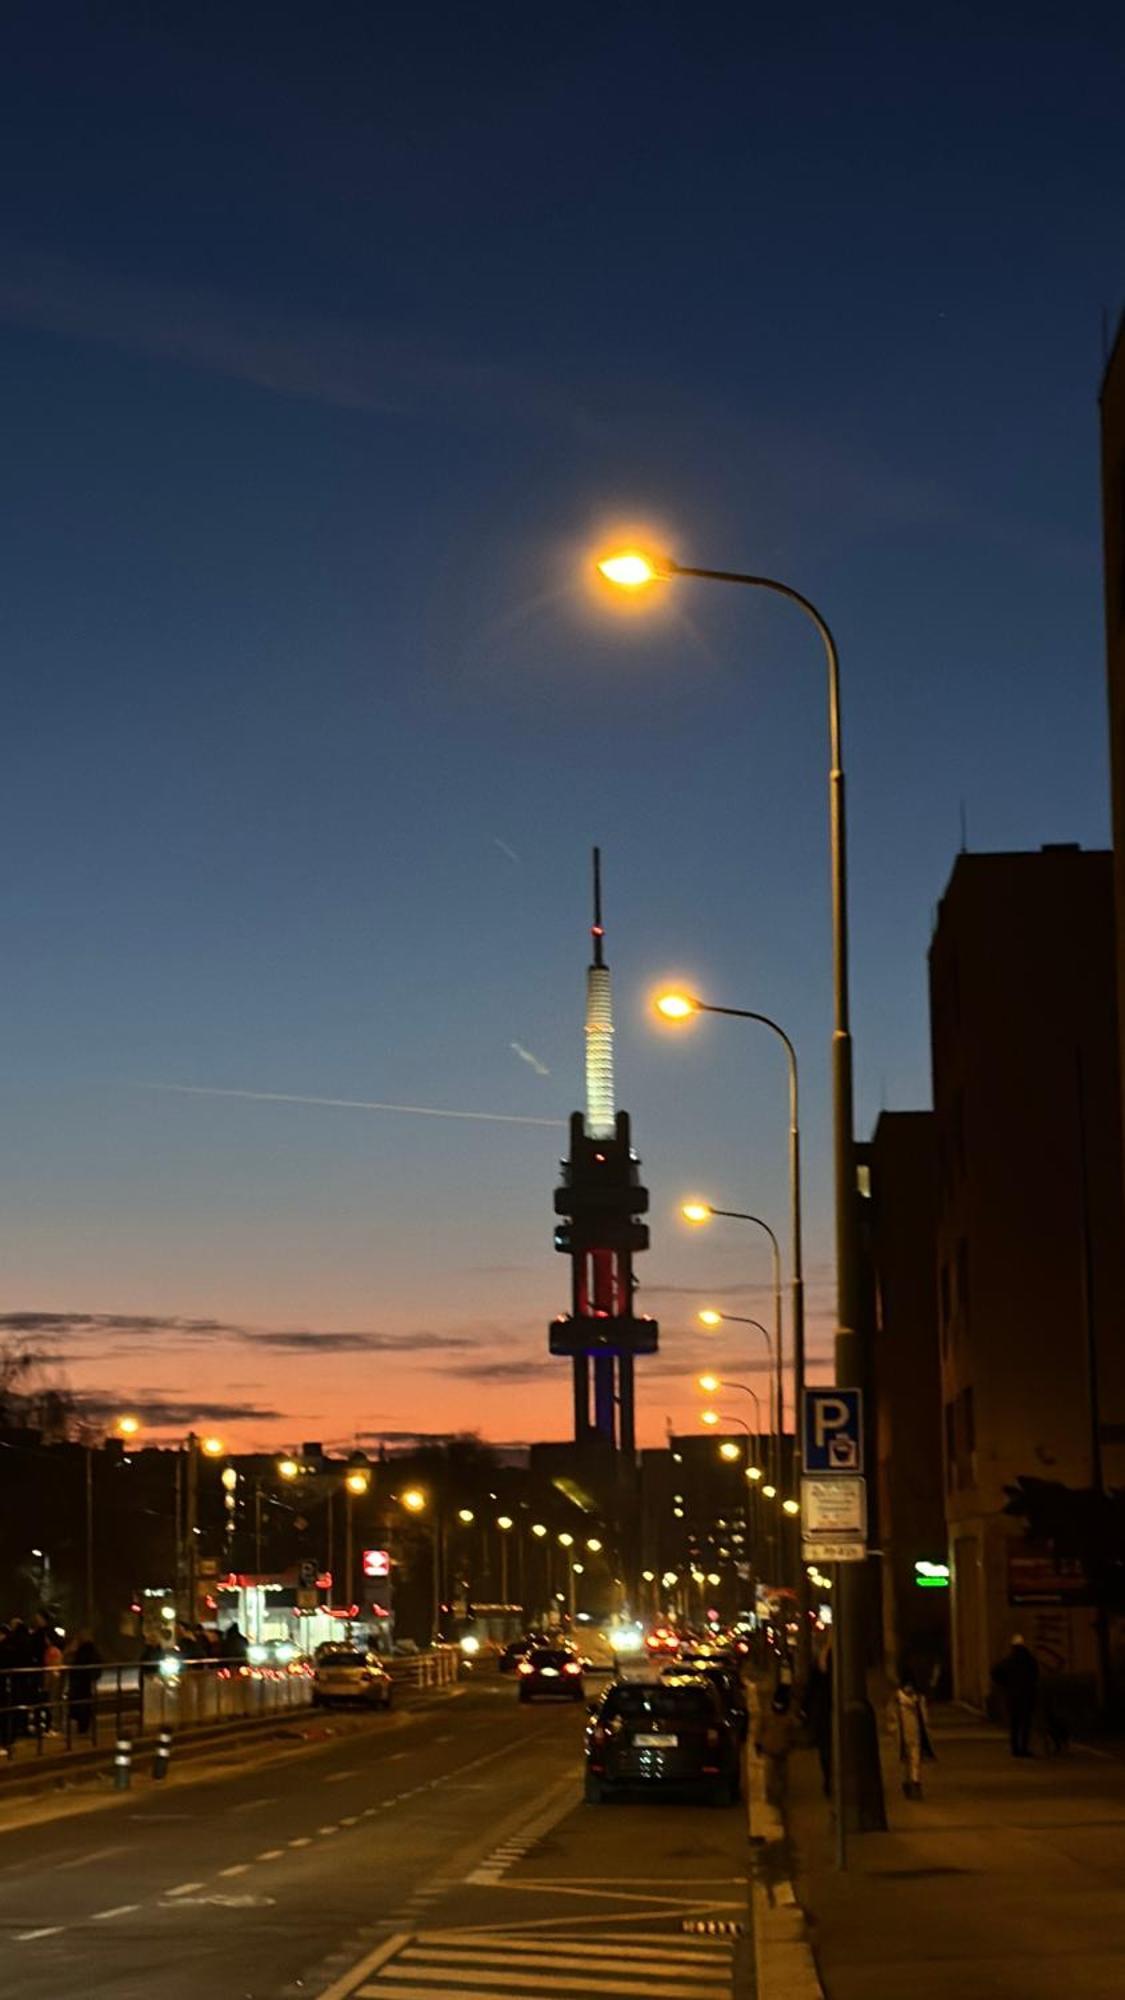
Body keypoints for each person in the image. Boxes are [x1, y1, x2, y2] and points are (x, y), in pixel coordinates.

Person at [888, 1668, 934, 1799]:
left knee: (913, 1760)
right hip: (905, 1735)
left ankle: (914, 1783)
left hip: (914, 1734)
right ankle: (911, 1783)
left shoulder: (915, 1699)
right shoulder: (902, 1700)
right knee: (908, 1761)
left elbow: (924, 1717)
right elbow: (892, 1718)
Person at [992, 1634, 1039, 1757]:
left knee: (1015, 1724)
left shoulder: (1008, 1661)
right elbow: (1035, 1675)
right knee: (1025, 1724)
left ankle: (1015, 1748)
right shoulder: (1030, 1660)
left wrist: (1004, 1684)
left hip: (1012, 1696)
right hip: (1027, 1695)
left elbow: (995, 1672)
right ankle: (1023, 1748)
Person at [755, 1684, 797, 1808]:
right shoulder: (783, 1718)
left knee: (776, 1775)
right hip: (776, 1749)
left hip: (776, 1749)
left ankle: (775, 1797)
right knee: (775, 1775)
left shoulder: (775, 1717)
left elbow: (760, 1730)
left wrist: (758, 1744)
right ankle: (774, 1797)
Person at [68, 1632, 102, 1736]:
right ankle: (84, 1727)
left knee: (81, 1705)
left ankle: (82, 1727)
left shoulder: (81, 1652)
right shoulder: (93, 1651)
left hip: (80, 1683)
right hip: (86, 1683)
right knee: (85, 1704)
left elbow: (73, 1664)